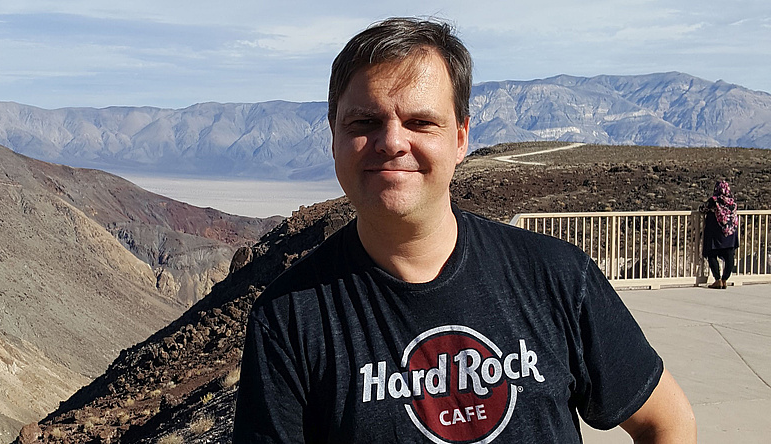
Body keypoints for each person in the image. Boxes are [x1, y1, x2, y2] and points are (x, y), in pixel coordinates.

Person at [233, 17, 696, 443]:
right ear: (333, 136)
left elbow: (667, 422)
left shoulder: (556, 277)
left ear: (460, 138)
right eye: (364, 122)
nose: (393, 141)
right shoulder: (288, 321)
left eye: (420, 122)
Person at [699, 180, 740, 289]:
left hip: (715, 233)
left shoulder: (714, 200)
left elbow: (702, 209)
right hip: (730, 234)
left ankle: (717, 279)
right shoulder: (732, 202)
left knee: (711, 253)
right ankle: (725, 279)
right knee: (729, 256)